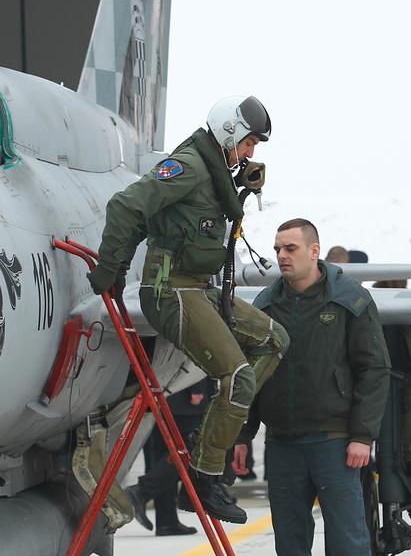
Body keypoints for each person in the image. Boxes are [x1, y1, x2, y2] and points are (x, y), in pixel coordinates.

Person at [90, 95, 287, 524]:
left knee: (274, 340)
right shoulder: (190, 167)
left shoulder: (214, 171)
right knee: (237, 376)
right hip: (171, 290)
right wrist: (112, 268)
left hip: (199, 288)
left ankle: (211, 438)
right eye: (249, 142)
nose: (251, 152)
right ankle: (203, 475)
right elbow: (126, 207)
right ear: (231, 133)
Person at [233, 218, 390, 556]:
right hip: (283, 444)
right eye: (278, 248)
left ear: (314, 251)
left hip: (335, 443)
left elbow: (374, 371)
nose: (282, 256)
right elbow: (252, 375)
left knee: (350, 546)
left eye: (291, 248)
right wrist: (244, 435)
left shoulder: (350, 302)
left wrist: (363, 436)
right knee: (291, 550)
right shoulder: (265, 305)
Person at [127, 379, 208, 535]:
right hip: (181, 396)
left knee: (163, 457)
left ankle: (166, 520)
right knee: (186, 452)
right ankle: (141, 491)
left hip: (157, 394)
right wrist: (196, 388)